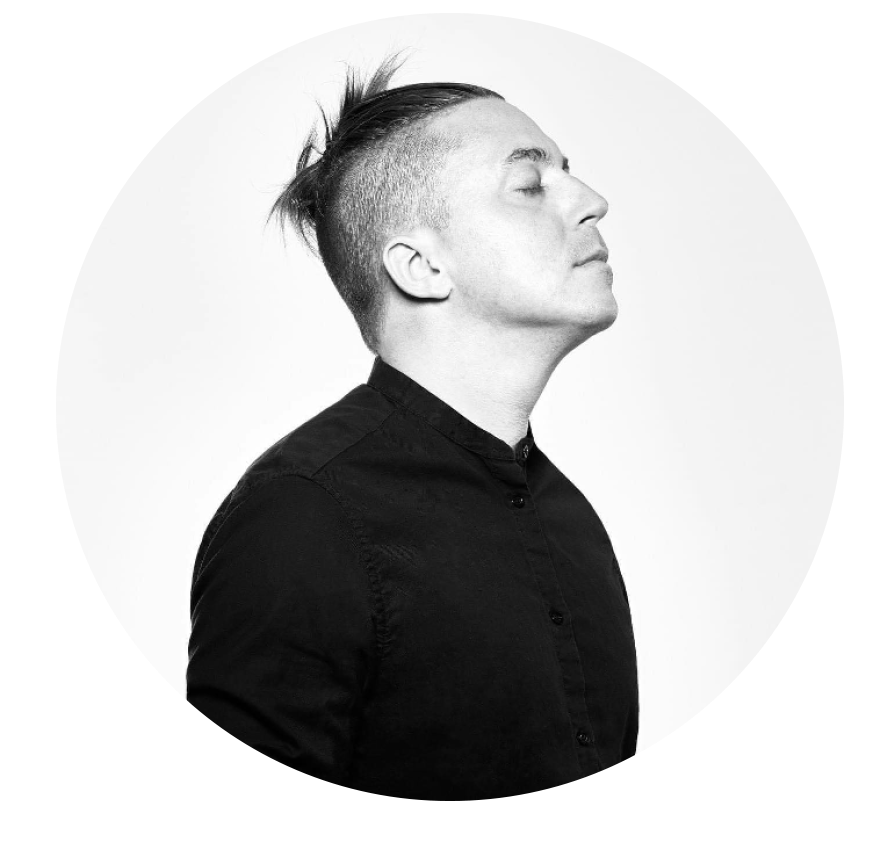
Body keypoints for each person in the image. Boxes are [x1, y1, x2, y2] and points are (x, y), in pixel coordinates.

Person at [187, 54, 638, 799]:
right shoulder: (303, 511)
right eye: (530, 185)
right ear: (421, 266)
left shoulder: (572, 519)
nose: (593, 201)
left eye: (569, 174)